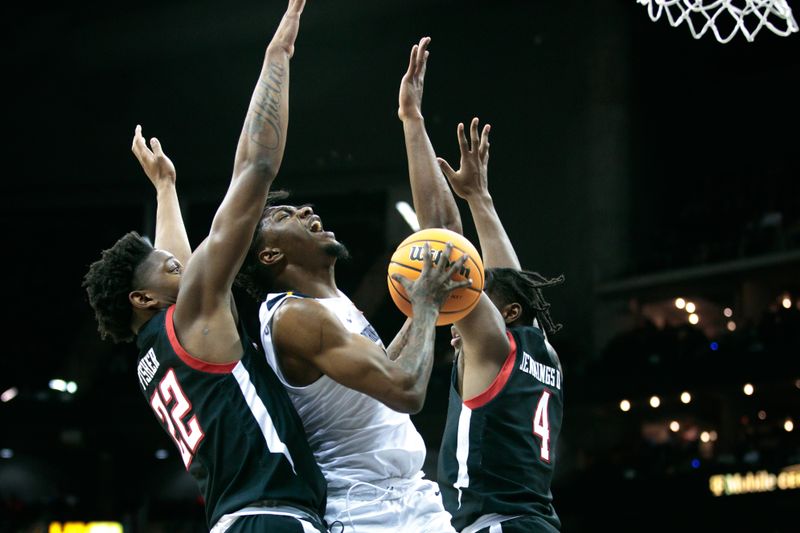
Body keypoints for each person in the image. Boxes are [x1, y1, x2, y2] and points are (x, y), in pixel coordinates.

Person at [82, 2, 330, 532]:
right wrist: (278, 55)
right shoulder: (187, 317)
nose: (184, 267)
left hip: (239, 518)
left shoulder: (154, 351)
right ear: (142, 298)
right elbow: (255, 169)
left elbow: (177, 264)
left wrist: (166, 189)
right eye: (170, 270)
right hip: (271, 518)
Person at [231, 47, 472, 533]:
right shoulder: (294, 318)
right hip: (362, 510)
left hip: (413, 497)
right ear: (270, 256)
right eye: (283, 216)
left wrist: (411, 119)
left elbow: (447, 240)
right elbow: (404, 389)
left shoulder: (331, 306)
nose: (305, 211)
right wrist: (424, 305)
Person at [398, 36, 565, 533]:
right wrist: (479, 199)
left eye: (471, 296)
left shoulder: (491, 346)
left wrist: (412, 121)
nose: (458, 306)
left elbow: (442, 242)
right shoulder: (543, 353)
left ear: (504, 316)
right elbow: (509, 283)